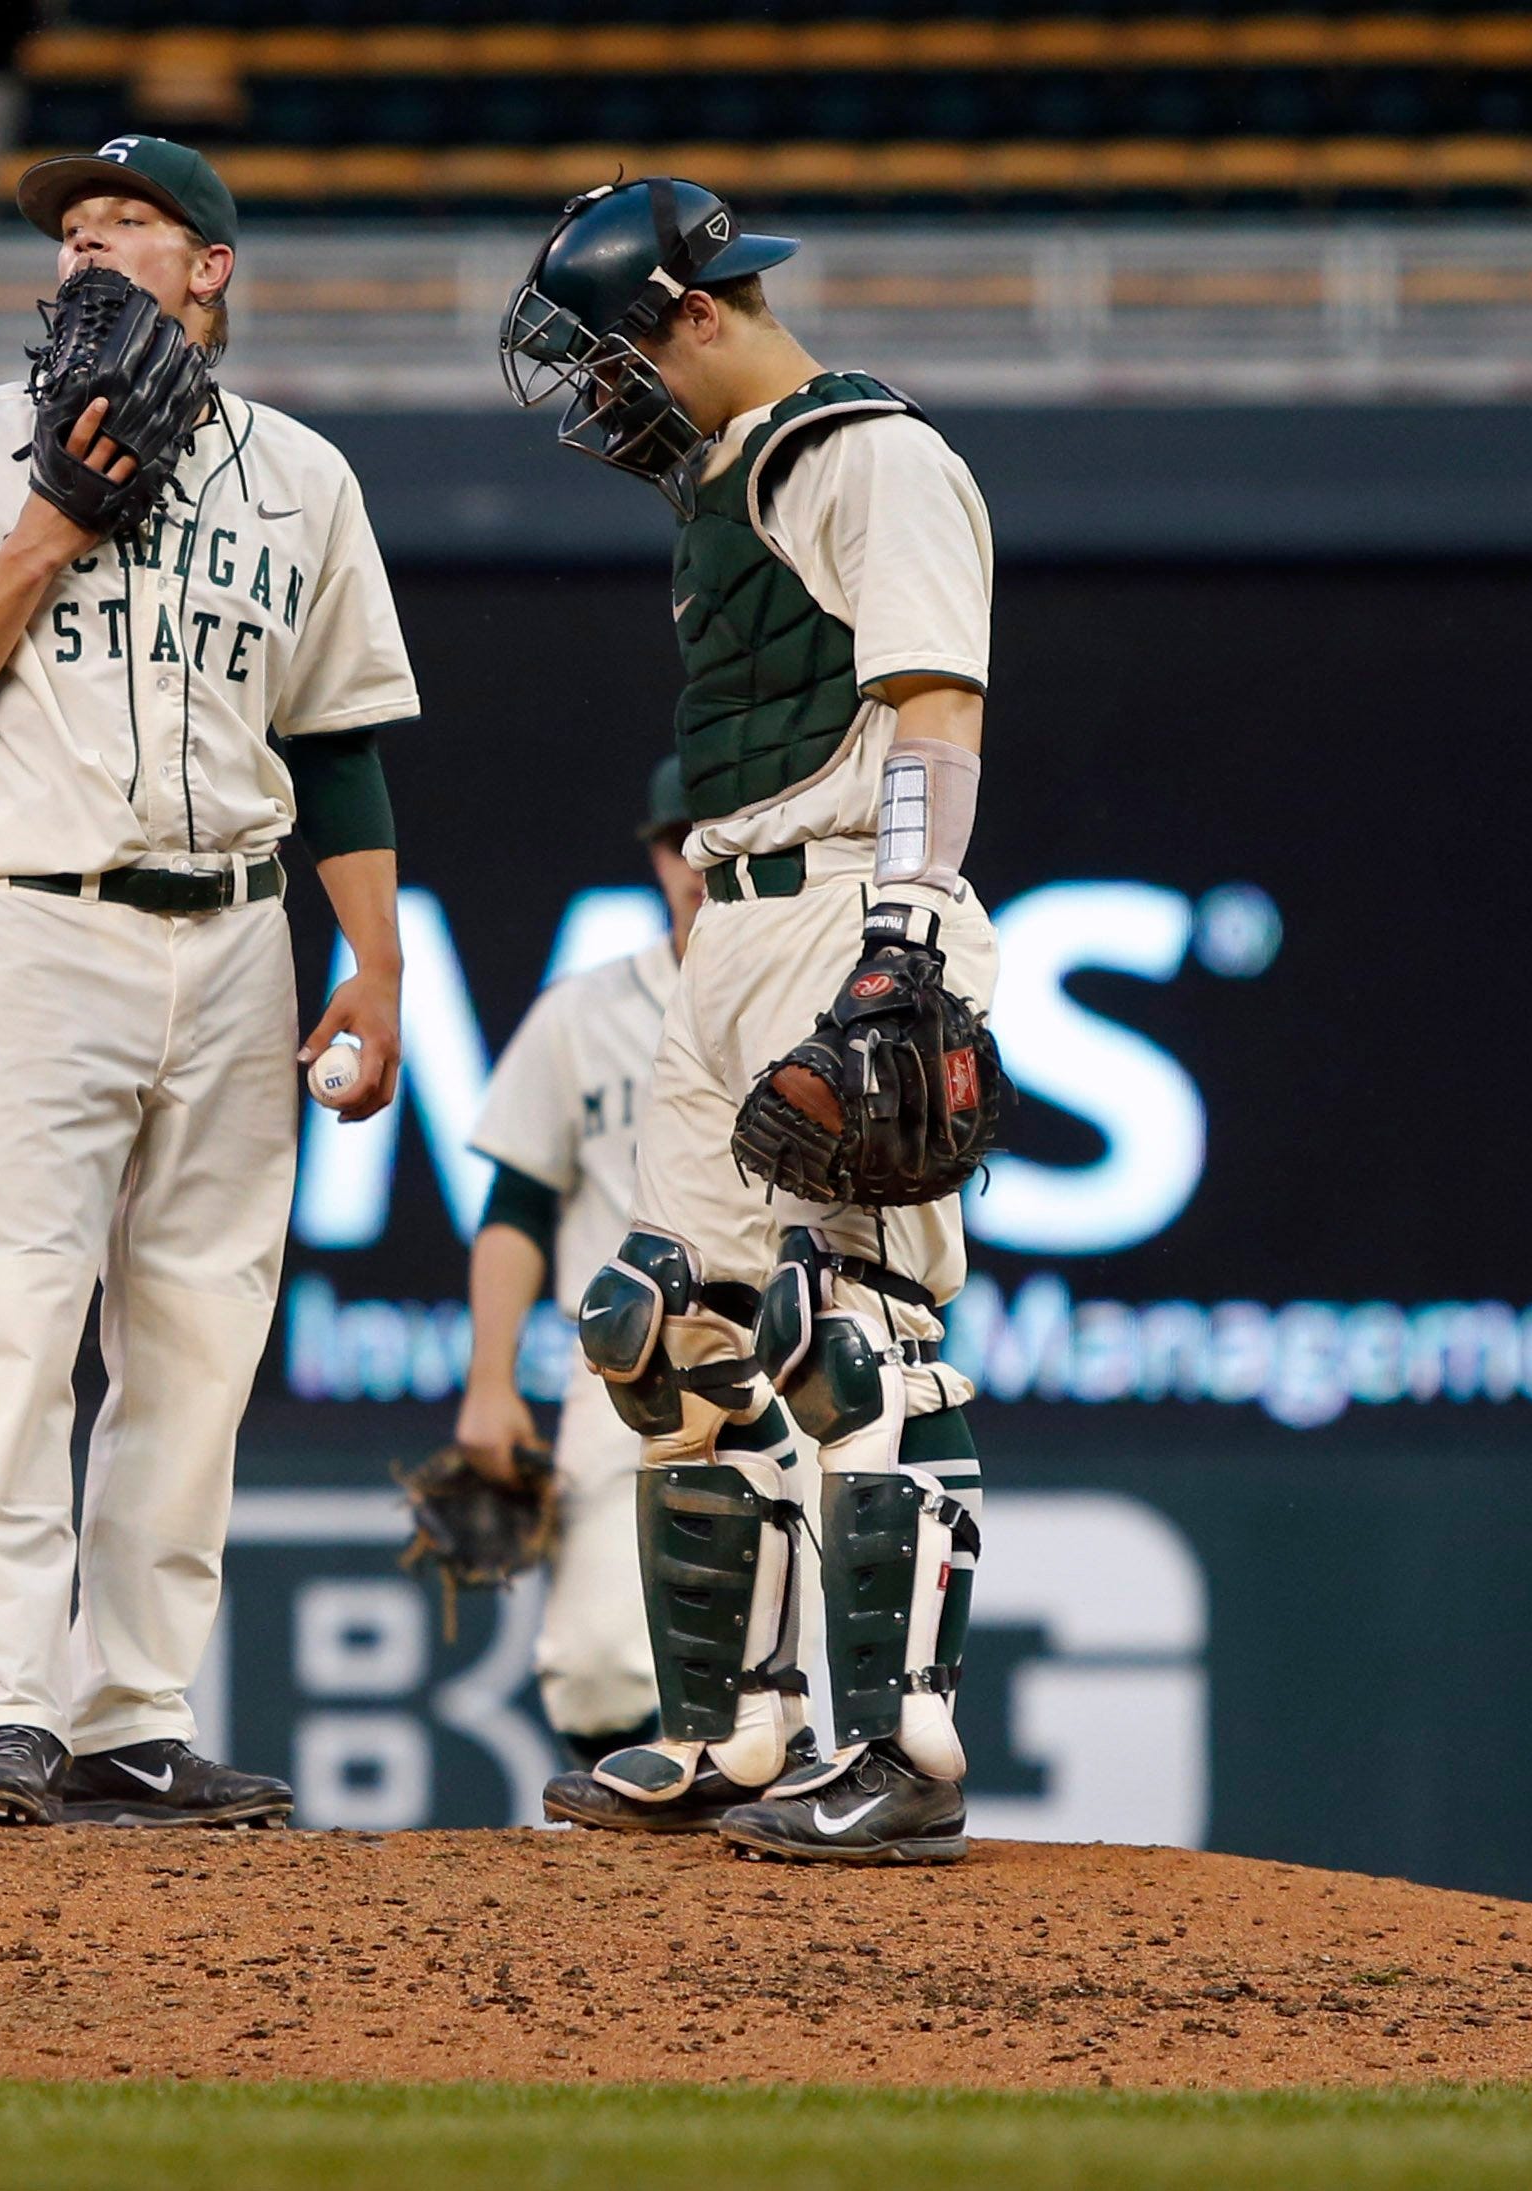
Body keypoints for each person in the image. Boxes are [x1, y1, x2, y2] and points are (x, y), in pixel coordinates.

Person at [0, 134, 420, 1828]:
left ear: (210, 268)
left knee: (196, 1337)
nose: (83, 254)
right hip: (42, 921)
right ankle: (16, 1704)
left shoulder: (302, 477)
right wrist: (41, 532)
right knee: (21, 1322)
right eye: (67, 233)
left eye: (124, 228)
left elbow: (336, 745)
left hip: (241, 938)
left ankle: (132, 1711)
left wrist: (372, 962)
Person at [498, 176, 998, 1864]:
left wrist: (909, 944)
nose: (598, 397)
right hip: (726, 925)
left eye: (609, 358)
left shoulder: (867, 455)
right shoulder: (728, 481)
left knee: (845, 1329)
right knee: (667, 1330)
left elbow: (932, 706)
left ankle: (904, 1751)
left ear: (690, 315)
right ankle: (735, 1732)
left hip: (850, 899)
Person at [455, 757, 706, 1774]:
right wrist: (486, 1383)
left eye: (717, 833)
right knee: (600, 1661)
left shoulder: (821, 1012)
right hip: (624, 1370)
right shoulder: (583, 1010)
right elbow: (515, 1201)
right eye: (675, 836)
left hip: (787, 1359)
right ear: (651, 852)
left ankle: (776, 1900)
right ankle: (637, 1900)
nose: (696, 856)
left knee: (783, 1667)